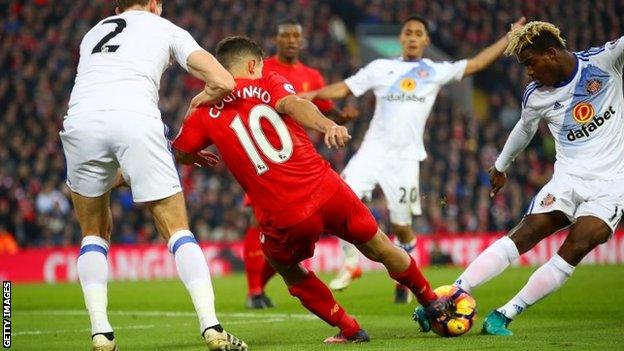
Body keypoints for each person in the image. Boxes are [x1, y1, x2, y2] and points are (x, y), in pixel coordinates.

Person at [172, 36, 450, 344]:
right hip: (328, 189)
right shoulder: (270, 81)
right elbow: (294, 104)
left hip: (285, 213)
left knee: (286, 267)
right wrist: (327, 126)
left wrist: (192, 136)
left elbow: (182, 151)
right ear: (253, 64)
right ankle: (432, 303)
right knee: (381, 246)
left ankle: (349, 328)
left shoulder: (204, 109)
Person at [415, 21, 624, 336]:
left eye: (530, 63)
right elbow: (524, 129)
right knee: (525, 234)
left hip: (612, 183)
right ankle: (451, 294)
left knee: (580, 243)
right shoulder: (536, 95)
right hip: (567, 179)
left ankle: (504, 314)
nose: (528, 72)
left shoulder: (605, 61)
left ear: (551, 54)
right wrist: (500, 166)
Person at [59, 1, 247, 350]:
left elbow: (101, 98)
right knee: (176, 228)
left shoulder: (93, 33)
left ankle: (101, 333)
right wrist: (196, 104)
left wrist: (122, 171)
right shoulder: (166, 28)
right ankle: (212, 326)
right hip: (136, 119)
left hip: (79, 122)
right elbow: (223, 80)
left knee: (93, 233)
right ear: (155, 4)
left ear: (117, 6)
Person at [303, 15, 526, 302]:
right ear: (401, 38)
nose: (411, 37)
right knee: (340, 199)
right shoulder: (381, 67)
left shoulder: (434, 71)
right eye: (407, 32)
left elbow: (477, 64)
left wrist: (508, 38)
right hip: (372, 151)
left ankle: (405, 273)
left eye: (417, 33)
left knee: (401, 227)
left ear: (425, 41)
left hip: (406, 159)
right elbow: (343, 88)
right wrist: (310, 95)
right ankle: (351, 263)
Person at [241, 17, 358, 309]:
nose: (292, 40)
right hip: (266, 159)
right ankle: (254, 291)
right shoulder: (262, 69)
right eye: (287, 36)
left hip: (299, 164)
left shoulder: (313, 77)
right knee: (260, 222)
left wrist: (341, 118)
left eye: (297, 36)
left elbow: (324, 109)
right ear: (277, 39)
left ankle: (261, 288)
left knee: (292, 231)